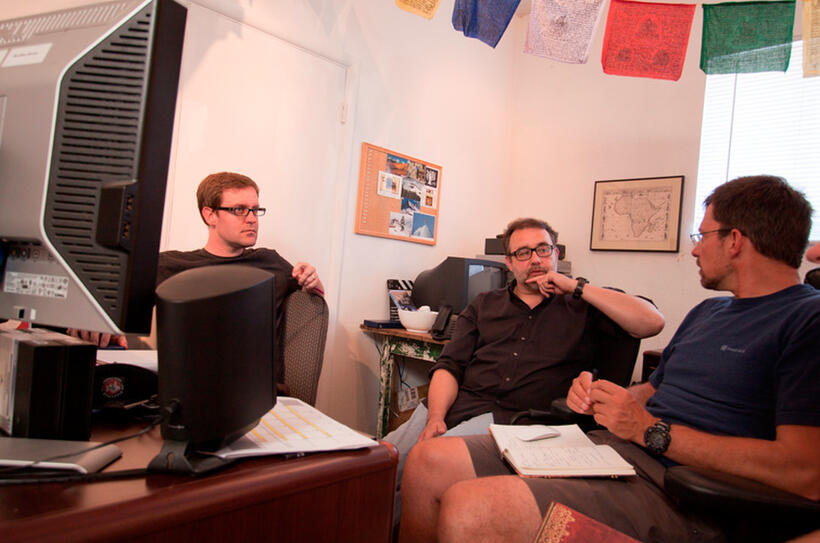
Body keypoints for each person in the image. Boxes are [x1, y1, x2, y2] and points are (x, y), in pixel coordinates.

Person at [398, 175, 820, 543]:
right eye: (523, 254)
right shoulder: (709, 312)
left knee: (467, 507)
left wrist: (651, 432)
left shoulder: (806, 319)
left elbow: (805, 472)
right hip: (615, 447)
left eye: (702, 236)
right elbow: (652, 392)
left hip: (678, 486)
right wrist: (603, 396)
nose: (694, 251)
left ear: (735, 241)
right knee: (425, 462)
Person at [384, 217, 664, 520]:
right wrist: (436, 417)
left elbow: (652, 322)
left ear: (556, 254)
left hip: (516, 420)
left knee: (423, 468)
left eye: (543, 250)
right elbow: (450, 365)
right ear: (509, 262)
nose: (535, 259)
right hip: (452, 403)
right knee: (379, 461)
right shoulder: (484, 304)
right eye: (523, 253)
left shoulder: (583, 304)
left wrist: (575, 287)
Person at [69, 172, 324, 384]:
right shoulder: (172, 265)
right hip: (185, 388)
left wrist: (312, 279)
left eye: (256, 210)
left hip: (258, 392)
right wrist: (96, 319)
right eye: (239, 210)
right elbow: (111, 296)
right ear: (209, 215)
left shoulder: (270, 262)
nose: (251, 219)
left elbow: (314, 298)